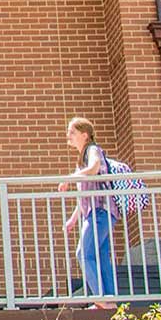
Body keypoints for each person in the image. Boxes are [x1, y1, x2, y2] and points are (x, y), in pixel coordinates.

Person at [59, 117, 117, 309]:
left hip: (100, 211)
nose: (69, 136)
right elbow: (84, 194)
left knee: (83, 253)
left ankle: (101, 298)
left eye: (72, 132)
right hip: (96, 211)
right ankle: (109, 300)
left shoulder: (92, 150)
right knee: (100, 255)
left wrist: (69, 178)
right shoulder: (81, 158)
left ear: (85, 135)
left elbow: (93, 169)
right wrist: (73, 219)